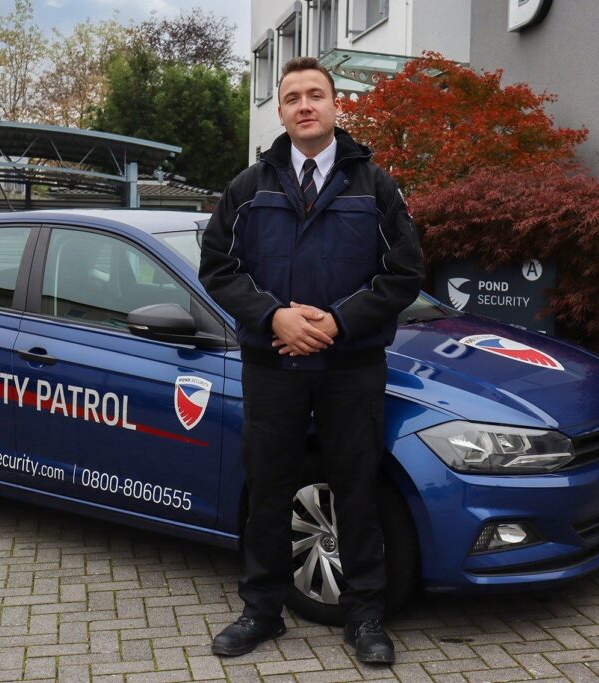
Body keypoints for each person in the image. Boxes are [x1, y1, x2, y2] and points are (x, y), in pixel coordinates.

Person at [198, 56, 424, 664]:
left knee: (356, 488)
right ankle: (261, 611)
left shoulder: (375, 186)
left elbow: (404, 273)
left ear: (335, 106)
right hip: (272, 366)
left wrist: (338, 322)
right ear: (281, 111)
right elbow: (218, 269)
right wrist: (275, 317)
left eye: (316, 94)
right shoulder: (249, 188)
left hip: (352, 367)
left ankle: (365, 617)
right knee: (269, 489)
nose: (305, 105)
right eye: (293, 96)